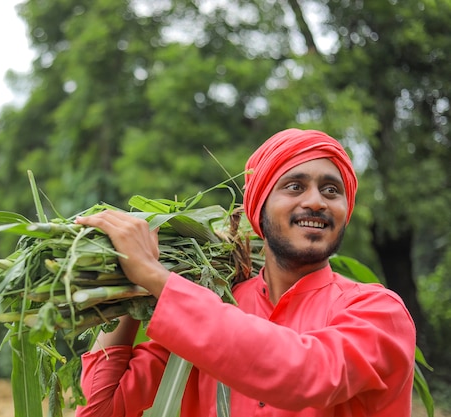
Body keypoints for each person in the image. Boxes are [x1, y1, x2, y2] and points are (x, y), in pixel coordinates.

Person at [73, 128, 416, 417]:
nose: (316, 202)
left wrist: (153, 275)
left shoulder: (378, 312)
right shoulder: (216, 304)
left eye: (331, 190)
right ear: (259, 207)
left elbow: (304, 374)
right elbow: (103, 408)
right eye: (295, 186)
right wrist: (127, 278)